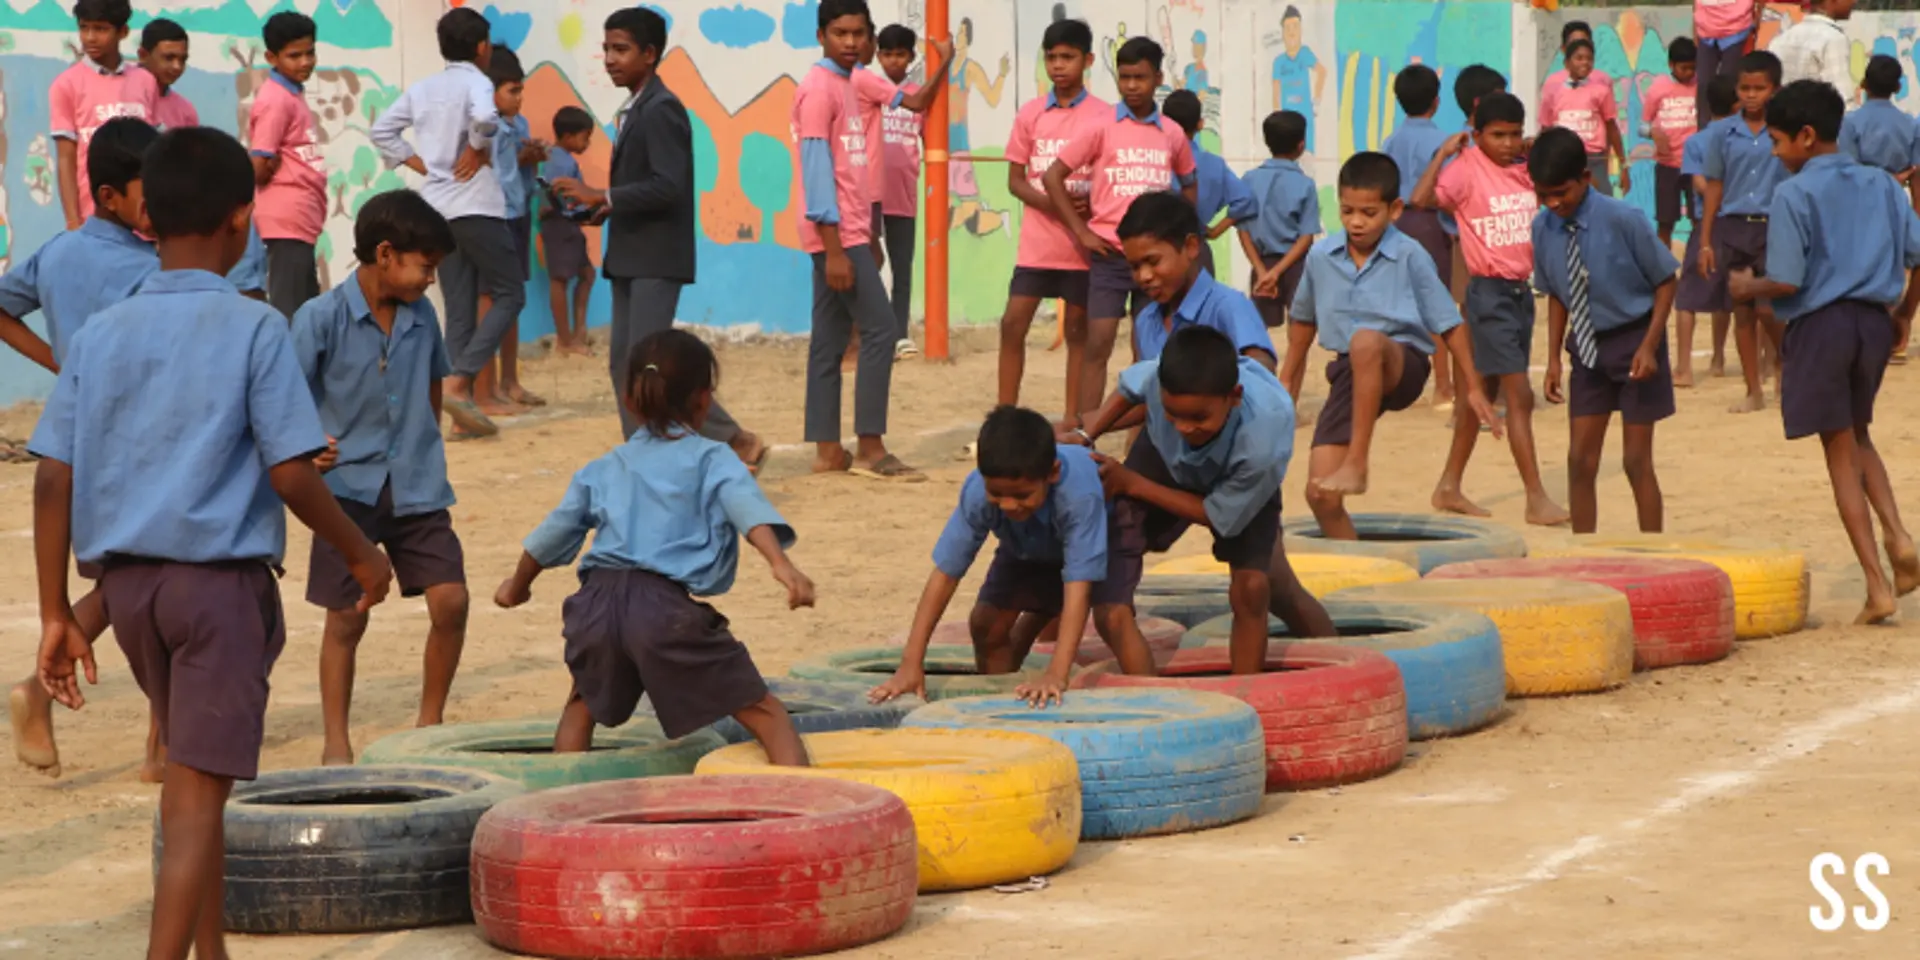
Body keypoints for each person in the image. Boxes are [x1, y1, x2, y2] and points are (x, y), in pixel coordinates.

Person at [31, 126, 392, 960]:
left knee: (196, 782)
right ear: (243, 222)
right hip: (218, 592)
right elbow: (295, 475)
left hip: (131, 596)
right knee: (196, 792)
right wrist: (359, 552)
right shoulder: (255, 326)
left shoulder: (100, 334)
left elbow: (54, 477)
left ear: (146, 214)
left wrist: (57, 610)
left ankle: (210, 952)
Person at [496, 329, 813, 762]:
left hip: (595, 605)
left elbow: (555, 530)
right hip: (663, 610)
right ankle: (805, 809)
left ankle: (557, 806)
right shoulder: (714, 457)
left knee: (580, 705)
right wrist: (781, 563)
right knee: (763, 711)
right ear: (704, 400)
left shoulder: (605, 465)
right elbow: (745, 506)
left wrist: (517, 585)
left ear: (630, 400)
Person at [3, 118, 168, 782]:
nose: (162, 207)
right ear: (108, 195)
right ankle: (158, 742)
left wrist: (60, 364)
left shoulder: (60, 252)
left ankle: (149, 736)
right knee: (160, 577)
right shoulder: (153, 268)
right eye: (149, 195)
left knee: (129, 581)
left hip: (75, 438)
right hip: (138, 441)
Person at [1728, 79, 1920, 624]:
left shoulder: (1794, 193)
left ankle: (1878, 584)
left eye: (1779, 141)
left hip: (1823, 327)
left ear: (1806, 137)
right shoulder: (1883, 185)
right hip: (1874, 326)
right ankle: (1900, 537)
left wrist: (1748, 289)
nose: (1774, 151)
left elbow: (1787, 280)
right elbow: (1917, 252)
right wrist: (1905, 312)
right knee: (1860, 434)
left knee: (1839, 453)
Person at [291, 189, 467, 766]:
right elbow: (285, 398)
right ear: (386, 254)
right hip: (346, 492)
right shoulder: (319, 319)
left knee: (451, 602)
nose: (429, 280)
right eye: (426, 267)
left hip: (417, 485)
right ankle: (336, 741)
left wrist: (426, 441)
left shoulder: (424, 319)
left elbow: (433, 385)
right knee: (346, 619)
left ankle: (430, 724)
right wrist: (306, 444)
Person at [556, 9, 773, 472]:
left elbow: (669, 185)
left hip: (656, 255)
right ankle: (661, 454)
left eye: (621, 49)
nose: (610, 58)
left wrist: (606, 194)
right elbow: (648, 185)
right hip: (632, 253)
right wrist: (603, 207)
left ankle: (716, 443)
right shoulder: (638, 106)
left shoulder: (661, 108)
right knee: (626, 365)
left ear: (650, 55)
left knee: (650, 369)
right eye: (608, 48)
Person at [1068, 326, 1320, 674]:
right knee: (1110, 573)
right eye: (1174, 414)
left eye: (1198, 417)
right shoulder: (1160, 381)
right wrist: (1086, 435)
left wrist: (1133, 483)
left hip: (1236, 480)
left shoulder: (1262, 442)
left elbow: (1218, 516)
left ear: (1233, 396)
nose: (1185, 427)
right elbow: (1129, 388)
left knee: (1255, 587)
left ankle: (1245, 694)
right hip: (1163, 455)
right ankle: (1148, 695)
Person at [1286, 152, 1497, 539]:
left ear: (1394, 209)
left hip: (1403, 365)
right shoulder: (1321, 256)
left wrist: (1474, 387)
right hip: (1350, 373)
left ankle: (1358, 462)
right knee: (1320, 494)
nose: (1356, 222)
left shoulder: (1410, 254)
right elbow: (1302, 320)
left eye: (1368, 213)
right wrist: (1287, 384)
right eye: (1348, 211)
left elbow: (1447, 322)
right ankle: (1355, 570)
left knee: (1366, 340)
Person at [870, 406, 1125, 703]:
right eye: (997, 494)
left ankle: (1149, 687)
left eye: (1021, 495)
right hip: (1026, 543)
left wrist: (1056, 673)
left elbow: (1079, 584)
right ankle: (1004, 705)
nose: (1007, 505)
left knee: (1114, 617)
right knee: (985, 623)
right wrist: (910, 664)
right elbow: (945, 574)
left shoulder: (1079, 495)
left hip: (1105, 531)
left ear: (1052, 474)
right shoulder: (978, 493)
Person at [792, 0, 948, 481]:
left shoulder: (852, 81)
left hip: (851, 229)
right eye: (841, 33)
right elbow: (817, 173)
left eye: (859, 33)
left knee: (829, 341)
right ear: (821, 35)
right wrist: (836, 247)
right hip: (836, 235)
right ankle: (871, 448)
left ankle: (826, 451)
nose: (851, 42)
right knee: (881, 331)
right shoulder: (818, 89)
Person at [1415, 92, 1569, 526]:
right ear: (1477, 134)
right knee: (1518, 396)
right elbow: (1422, 198)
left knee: (1474, 397)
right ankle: (1536, 498)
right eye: (1497, 135)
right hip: (1488, 296)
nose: (1507, 143)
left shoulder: (1527, 171)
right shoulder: (1465, 170)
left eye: (1514, 134)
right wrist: (1444, 153)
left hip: (1521, 295)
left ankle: (1448, 485)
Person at [371, 7, 521, 439]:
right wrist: (476, 146)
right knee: (510, 293)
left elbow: (382, 132)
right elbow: (487, 119)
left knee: (458, 307)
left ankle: (461, 415)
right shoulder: (477, 81)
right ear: (480, 47)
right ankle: (460, 380)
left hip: (437, 208)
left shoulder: (423, 88)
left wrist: (426, 168)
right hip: (476, 205)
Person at [1530, 128, 1679, 536]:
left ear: (1585, 178)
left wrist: (1649, 346)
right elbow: (1557, 292)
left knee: (1635, 460)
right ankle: (1584, 554)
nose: (1553, 202)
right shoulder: (1543, 228)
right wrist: (1554, 359)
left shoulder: (1623, 219)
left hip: (1635, 339)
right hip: (1587, 348)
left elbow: (1666, 280)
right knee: (1580, 460)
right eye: (1543, 194)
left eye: (1561, 191)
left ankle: (1652, 551)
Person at [1044, 37, 1197, 419]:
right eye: (1125, 77)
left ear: (1158, 78)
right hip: (1111, 254)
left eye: (1140, 77)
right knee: (1098, 344)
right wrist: (1082, 231)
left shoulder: (1172, 133)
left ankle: (1144, 436)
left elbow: (1190, 185)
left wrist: (1177, 232)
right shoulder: (1101, 127)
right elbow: (1053, 176)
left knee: (1149, 349)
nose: (1132, 86)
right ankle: (1085, 434)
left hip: (1157, 260)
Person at [999, 16, 1105, 413]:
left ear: (1088, 59)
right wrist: (1054, 202)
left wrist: (1089, 205)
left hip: (1081, 243)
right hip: (1037, 245)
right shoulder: (1030, 114)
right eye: (1051, 57)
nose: (1059, 65)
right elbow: (1015, 179)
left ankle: (1072, 419)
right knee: (1013, 324)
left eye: (1068, 57)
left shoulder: (1102, 116)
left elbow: (1108, 174)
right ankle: (1005, 413)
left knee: (1077, 331)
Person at [1700, 50, 1788, 413]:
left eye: (1759, 88)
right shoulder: (1721, 133)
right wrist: (1705, 239)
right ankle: (1753, 389)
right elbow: (1715, 186)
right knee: (1743, 311)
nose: (1752, 95)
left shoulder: (1785, 131)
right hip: (1735, 227)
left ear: (1774, 90)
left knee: (1771, 309)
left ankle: (1783, 366)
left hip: (1775, 226)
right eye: (1745, 88)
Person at [1123, 191, 1275, 368]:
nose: (1144, 276)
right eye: (1135, 267)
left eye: (1153, 261)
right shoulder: (1146, 320)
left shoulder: (1228, 306)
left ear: (1191, 247)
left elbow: (1263, 369)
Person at [475, 47, 546, 415]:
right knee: (490, 301)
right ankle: (483, 390)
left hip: (517, 214)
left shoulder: (519, 126)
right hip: (493, 217)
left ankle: (509, 380)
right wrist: (520, 158)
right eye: (512, 91)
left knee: (512, 298)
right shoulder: (486, 127)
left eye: (521, 90)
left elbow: (517, 175)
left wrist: (531, 159)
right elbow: (493, 173)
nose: (519, 99)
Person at [1383, 63, 1458, 404]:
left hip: (1397, 222)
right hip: (1431, 222)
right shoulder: (1444, 141)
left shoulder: (1391, 140)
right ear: (1437, 102)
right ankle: (1443, 385)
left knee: (1400, 302)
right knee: (1437, 303)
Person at [51, 0, 155, 230]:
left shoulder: (145, 81)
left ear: (123, 32)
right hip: (94, 218)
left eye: (100, 29)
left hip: (142, 219)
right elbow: (66, 158)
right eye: (84, 27)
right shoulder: (66, 85)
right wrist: (73, 221)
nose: (90, 37)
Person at [250, 11, 326, 319]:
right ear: (272, 56)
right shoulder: (276, 99)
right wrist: (271, 165)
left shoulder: (292, 94)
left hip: (300, 221)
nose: (305, 61)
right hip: (285, 222)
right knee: (290, 312)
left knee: (308, 311)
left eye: (310, 53)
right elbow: (258, 165)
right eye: (294, 55)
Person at [1675, 74, 1739, 386]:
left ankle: (1684, 367)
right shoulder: (1743, 136)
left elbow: (1698, 183)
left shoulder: (1697, 141)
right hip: (1739, 219)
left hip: (1708, 222)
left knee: (1688, 295)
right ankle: (1717, 356)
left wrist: (1717, 194)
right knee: (1728, 293)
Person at [1161, 89, 1255, 280]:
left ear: (1163, 123)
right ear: (1200, 124)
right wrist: (1215, 230)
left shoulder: (1154, 159)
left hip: (1159, 249)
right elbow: (1245, 199)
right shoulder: (1214, 164)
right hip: (1197, 247)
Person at [1240, 111, 1320, 329]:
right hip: (1295, 265)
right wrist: (1278, 272)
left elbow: (1243, 230)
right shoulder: (1305, 185)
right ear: (1301, 145)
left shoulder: (1249, 179)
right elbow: (1306, 237)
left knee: (1259, 330)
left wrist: (1263, 271)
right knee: (1299, 328)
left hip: (1262, 262)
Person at [876, 24, 926, 355]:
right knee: (869, 264)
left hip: (903, 195)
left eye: (900, 54)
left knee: (901, 267)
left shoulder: (918, 98)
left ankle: (899, 333)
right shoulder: (871, 89)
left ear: (911, 56)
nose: (894, 61)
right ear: (878, 56)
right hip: (869, 193)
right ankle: (875, 331)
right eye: (888, 54)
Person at [1539, 39, 1629, 197]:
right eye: (1579, 58)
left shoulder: (1601, 91)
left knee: (1601, 203)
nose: (1585, 63)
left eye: (1589, 59)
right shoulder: (1552, 92)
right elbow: (1546, 129)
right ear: (1567, 63)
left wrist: (1624, 164)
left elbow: (1612, 127)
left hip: (1594, 159)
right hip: (1563, 159)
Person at [540, 106, 596, 358]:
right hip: (559, 223)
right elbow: (557, 196)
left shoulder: (563, 160)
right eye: (585, 136)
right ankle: (565, 339)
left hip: (568, 224)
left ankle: (578, 332)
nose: (588, 142)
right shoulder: (557, 160)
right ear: (569, 136)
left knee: (587, 274)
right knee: (560, 279)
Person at [1644, 37, 1700, 247]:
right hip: (1667, 165)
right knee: (1665, 222)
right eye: (1683, 68)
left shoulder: (1700, 85)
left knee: (1699, 219)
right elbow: (1642, 125)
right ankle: (1665, 270)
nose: (1688, 73)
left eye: (1692, 68)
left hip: (1695, 165)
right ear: (1671, 65)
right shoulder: (1657, 88)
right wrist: (1653, 133)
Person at [1839, 55, 1914, 178]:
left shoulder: (1849, 123)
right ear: (1898, 88)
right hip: (1898, 193)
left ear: (1864, 84)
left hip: (1863, 194)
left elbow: (1849, 170)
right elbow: (1915, 172)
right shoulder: (1910, 124)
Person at [1694, 0, 1765, 125]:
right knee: (1703, 85)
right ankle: (1704, 131)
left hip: (1736, 29)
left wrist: (1758, 17)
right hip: (1706, 31)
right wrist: (1695, 29)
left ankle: (1731, 131)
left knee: (1728, 87)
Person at [1771, 0, 1855, 104]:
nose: (1854, 1)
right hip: (1817, 117)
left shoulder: (1783, 37)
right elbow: (1842, 97)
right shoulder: (1833, 38)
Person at [135, 18, 196, 130]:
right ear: (143, 55)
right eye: (169, 58)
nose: (177, 66)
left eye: (182, 59)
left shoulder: (185, 110)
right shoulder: (122, 98)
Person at [1540, 20, 1614, 92]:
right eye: (1574, 44)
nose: (1579, 48)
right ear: (1563, 49)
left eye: (1583, 43)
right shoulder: (1553, 82)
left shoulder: (1603, 81)